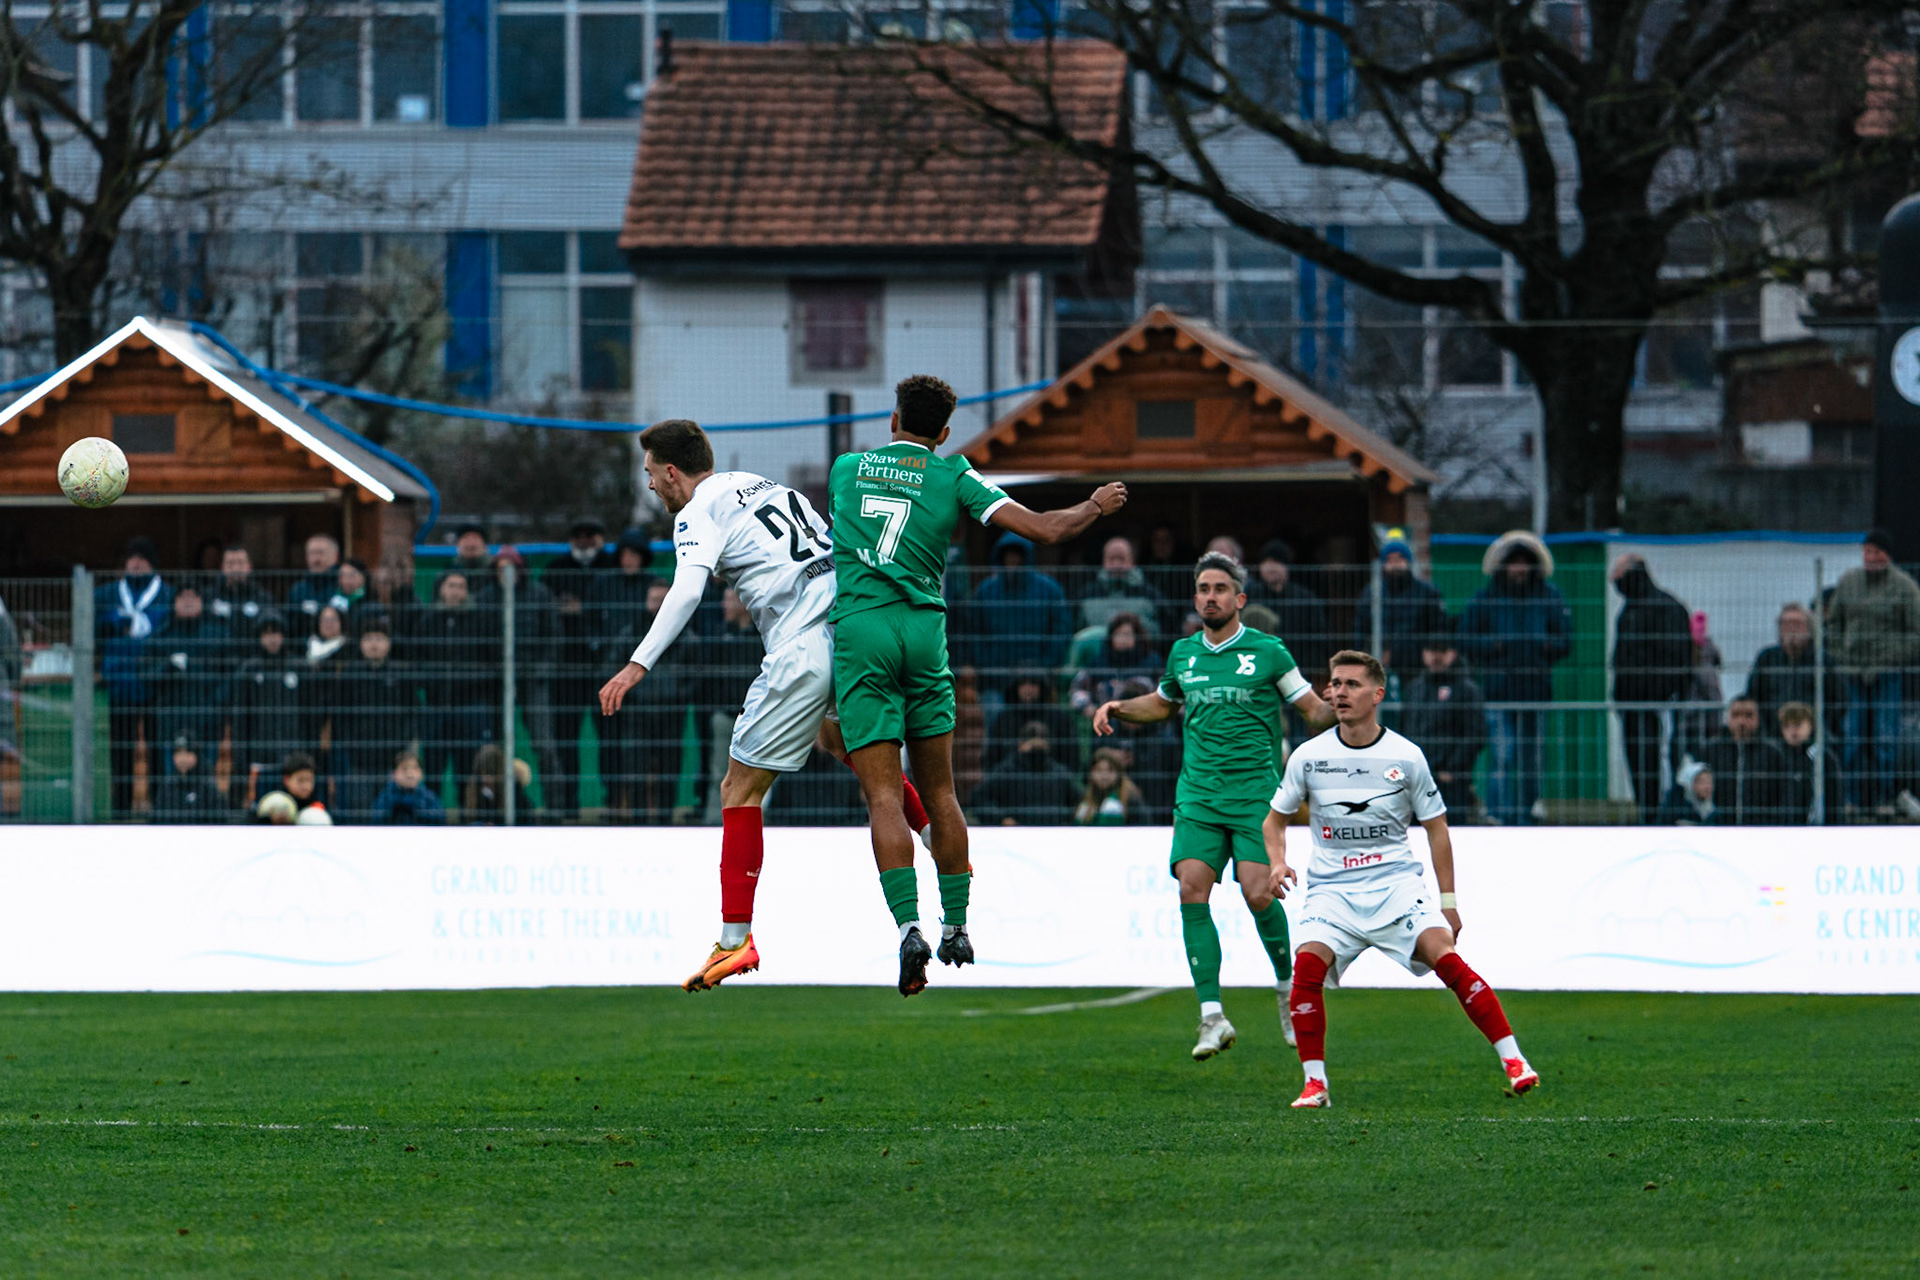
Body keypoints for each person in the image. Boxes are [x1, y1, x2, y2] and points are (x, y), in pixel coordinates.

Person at [599, 418, 939, 991]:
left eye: (653, 475)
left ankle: (735, 942)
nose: (652, 486)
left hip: (803, 646)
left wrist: (638, 664)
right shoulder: (760, 485)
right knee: (842, 745)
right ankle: (940, 845)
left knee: (739, 789)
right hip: (856, 627)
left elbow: (687, 588)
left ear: (674, 472)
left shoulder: (695, 512)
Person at [827, 373, 1126, 995]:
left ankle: (908, 927)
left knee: (884, 795)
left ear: (892, 420)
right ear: (942, 432)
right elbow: (1046, 528)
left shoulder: (847, 467)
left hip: (862, 630)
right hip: (923, 632)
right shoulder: (954, 474)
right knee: (942, 792)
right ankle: (956, 924)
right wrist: (1096, 505)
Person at [1264, 650, 1540, 1108]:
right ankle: (1316, 1083)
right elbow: (1273, 821)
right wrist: (1277, 862)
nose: (1339, 692)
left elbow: (1437, 829)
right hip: (1334, 890)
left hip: (1396, 885)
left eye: (1352, 684)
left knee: (1446, 959)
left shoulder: (1406, 756)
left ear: (1378, 694)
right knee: (1307, 968)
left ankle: (1515, 1061)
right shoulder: (1309, 757)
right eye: (1335, 684)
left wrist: (1448, 902)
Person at [1092, 552, 1336, 1060]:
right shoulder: (1184, 654)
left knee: (1259, 894)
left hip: (1255, 797)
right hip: (1198, 796)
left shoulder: (1268, 652)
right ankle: (1212, 1018)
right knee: (1190, 890)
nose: (1210, 596)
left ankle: (1289, 989)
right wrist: (1118, 707)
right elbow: (1163, 703)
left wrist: (1344, 709)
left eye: (1220, 588)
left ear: (1239, 599)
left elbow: (1310, 707)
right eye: (1203, 587)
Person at [1457, 530, 1571, 826]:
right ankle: (1498, 815)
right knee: (1503, 758)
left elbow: (1565, 641)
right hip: (1499, 691)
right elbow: (1465, 639)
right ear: (1504, 566)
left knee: (1532, 760)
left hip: (1536, 691)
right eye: (1514, 563)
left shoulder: (1550, 596)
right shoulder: (1486, 598)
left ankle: (1527, 812)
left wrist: (1544, 646)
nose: (1519, 569)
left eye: (1524, 563)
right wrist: (1493, 646)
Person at [1826, 529, 1920, 816]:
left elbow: (1915, 633)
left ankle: (1884, 800)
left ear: (1887, 555)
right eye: (1867, 551)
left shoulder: (1904, 587)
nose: (1870, 557)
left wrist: (1889, 659)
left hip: (1887, 674)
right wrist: (1843, 657)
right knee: (1853, 737)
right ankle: (1851, 800)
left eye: (1876, 552)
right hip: (1852, 674)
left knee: (1885, 738)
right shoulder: (1849, 582)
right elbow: (1834, 626)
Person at [1608, 554, 1694, 822]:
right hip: (1632, 707)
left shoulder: (1666, 608)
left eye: (1619, 578)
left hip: (1657, 706)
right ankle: (1649, 817)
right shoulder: (1629, 610)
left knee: (1660, 764)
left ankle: (1662, 817)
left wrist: (1659, 694)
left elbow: (1676, 659)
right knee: (1639, 765)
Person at [478, 546, 560, 820]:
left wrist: (541, 671)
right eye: (500, 570)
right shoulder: (486, 599)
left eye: (509, 568)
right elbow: (479, 642)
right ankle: (497, 809)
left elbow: (554, 638)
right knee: (495, 749)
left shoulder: (540, 595)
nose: (506, 575)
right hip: (496, 683)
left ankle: (554, 809)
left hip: (533, 680)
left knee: (544, 745)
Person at [95, 536, 173, 817]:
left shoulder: (168, 594)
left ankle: (159, 809)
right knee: (122, 750)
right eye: (132, 558)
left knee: (157, 748)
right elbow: (92, 627)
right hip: (121, 684)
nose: (137, 564)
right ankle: (121, 810)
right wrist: (114, 622)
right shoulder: (106, 594)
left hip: (156, 685)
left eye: (143, 558)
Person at [545, 517, 617, 819]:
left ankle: (612, 804)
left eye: (591, 534)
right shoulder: (556, 570)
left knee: (610, 740)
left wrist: (582, 610)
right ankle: (568, 805)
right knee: (565, 740)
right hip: (565, 670)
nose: (585, 540)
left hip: (605, 670)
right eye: (579, 535)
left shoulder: (612, 566)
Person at [413, 570, 498, 791]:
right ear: (441, 589)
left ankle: (469, 820)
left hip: (470, 708)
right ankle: (432, 821)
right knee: (433, 769)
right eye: (451, 586)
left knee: (468, 770)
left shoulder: (480, 620)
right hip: (435, 708)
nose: (456, 591)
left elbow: (492, 661)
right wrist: (430, 683)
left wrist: (474, 682)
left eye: (461, 586)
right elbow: (416, 660)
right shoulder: (427, 620)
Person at [331, 614, 419, 822]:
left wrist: (401, 743)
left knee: (393, 813)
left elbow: (413, 711)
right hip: (359, 761)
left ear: (388, 643)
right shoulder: (350, 673)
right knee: (360, 813)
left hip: (393, 760)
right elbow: (340, 715)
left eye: (379, 639)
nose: (374, 645)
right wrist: (351, 744)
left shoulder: (400, 673)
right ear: (361, 643)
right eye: (369, 639)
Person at [966, 531, 1073, 692]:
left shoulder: (1049, 589)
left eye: (1017, 556)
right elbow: (974, 632)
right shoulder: (986, 591)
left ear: (1026, 557)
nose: (1012, 561)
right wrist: (988, 666)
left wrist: (1046, 666)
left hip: (1039, 681)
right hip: (996, 679)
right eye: (1008, 556)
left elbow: (1061, 630)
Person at [1399, 629, 1487, 822]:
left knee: (1452, 835)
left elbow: (1475, 734)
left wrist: (1454, 770)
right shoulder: (1414, 689)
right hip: (1417, 779)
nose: (1436, 656)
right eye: (1432, 651)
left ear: (1453, 653)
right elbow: (1405, 730)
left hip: (1451, 783)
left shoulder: (1467, 690)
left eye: (1442, 651)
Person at [226, 611, 306, 807]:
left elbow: (308, 715)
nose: (272, 639)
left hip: (292, 761)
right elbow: (240, 717)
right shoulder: (248, 670)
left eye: (276, 634)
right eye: (267, 634)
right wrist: (242, 757)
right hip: (259, 760)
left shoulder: (298, 667)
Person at [142, 582, 231, 755]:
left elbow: (229, 672)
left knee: (206, 775)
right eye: (183, 597)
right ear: (174, 602)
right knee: (171, 775)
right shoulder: (161, 635)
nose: (188, 602)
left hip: (208, 719)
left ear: (200, 601)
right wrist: (168, 667)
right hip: (171, 719)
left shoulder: (217, 634)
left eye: (193, 597)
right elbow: (146, 673)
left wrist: (216, 702)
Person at [1348, 530, 1447, 680]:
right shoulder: (1372, 593)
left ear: (1408, 562)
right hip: (1380, 667)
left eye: (1400, 559)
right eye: (1389, 560)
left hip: (1417, 669)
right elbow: (1361, 628)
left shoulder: (1427, 593)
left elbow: (1438, 628)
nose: (1395, 565)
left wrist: (1428, 654)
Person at [1247, 540, 1332, 697]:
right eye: (1266, 563)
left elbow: (1319, 636)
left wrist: (1313, 667)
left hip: (1297, 671)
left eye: (1276, 562)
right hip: (1258, 671)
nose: (1270, 568)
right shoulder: (1250, 596)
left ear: (1286, 566)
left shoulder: (1305, 599)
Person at [1745, 603, 1844, 738]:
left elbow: (1838, 700)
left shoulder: (1823, 660)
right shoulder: (1767, 658)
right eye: (1786, 624)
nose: (1791, 629)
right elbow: (1753, 697)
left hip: (1815, 734)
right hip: (1773, 733)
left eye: (1797, 624)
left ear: (1809, 629)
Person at [1698, 696, 1793, 825]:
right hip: (1719, 829)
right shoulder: (1710, 751)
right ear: (1727, 718)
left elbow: (1785, 795)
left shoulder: (1772, 753)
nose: (1741, 721)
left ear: (1758, 719)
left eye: (1748, 715)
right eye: (1736, 715)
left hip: (1762, 830)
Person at [969, 719, 1083, 825]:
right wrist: (1001, 819)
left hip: (1051, 835)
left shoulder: (1059, 774)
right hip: (1015, 836)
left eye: (1040, 747)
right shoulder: (1006, 771)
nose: (1036, 754)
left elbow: (1077, 802)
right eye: (1032, 747)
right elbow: (978, 798)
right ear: (1020, 745)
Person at [1067, 613, 1161, 724]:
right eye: (1118, 634)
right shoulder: (1098, 662)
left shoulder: (1152, 661)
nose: (1122, 639)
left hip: (1146, 724)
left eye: (1127, 634)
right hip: (1107, 725)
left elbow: (1166, 690)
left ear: (1137, 637)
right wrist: (1087, 707)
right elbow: (1077, 688)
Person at [1078, 536, 1160, 634]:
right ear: (1103, 561)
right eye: (1111, 559)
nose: (1116, 564)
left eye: (1121, 559)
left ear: (1132, 561)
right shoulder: (1087, 593)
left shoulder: (1150, 594)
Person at [1777, 702, 1840, 825]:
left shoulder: (1823, 758)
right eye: (1787, 726)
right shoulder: (1777, 757)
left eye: (1797, 725)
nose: (1792, 731)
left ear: (1811, 725)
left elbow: (1835, 798)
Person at [152, 732, 223, 824]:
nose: (182, 759)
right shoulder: (167, 786)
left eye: (187, 752)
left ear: (196, 755)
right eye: (178, 753)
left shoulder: (208, 785)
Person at [206, 544, 273, 633]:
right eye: (230, 564)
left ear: (249, 567)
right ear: (222, 567)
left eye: (240, 563)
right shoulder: (209, 596)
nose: (235, 568)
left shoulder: (263, 597)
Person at [285, 533, 341, 639]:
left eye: (321, 553)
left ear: (335, 556)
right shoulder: (297, 590)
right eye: (312, 553)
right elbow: (290, 624)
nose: (316, 559)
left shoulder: (344, 586)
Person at [463, 742, 533, 824]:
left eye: (491, 774)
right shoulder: (476, 789)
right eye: (483, 774)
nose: (486, 779)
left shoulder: (515, 792)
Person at [371, 751, 445, 825]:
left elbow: (439, 819)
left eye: (414, 768)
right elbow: (377, 819)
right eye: (404, 769)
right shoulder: (386, 796)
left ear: (421, 773)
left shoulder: (429, 797)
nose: (410, 773)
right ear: (394, 774)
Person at [1075, 747, 1145, 825]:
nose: (1104, 776)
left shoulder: (1131, 799)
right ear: (1091, 773)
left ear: (1118, 773)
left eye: (1110, 770)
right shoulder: (1084, 800)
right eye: (1099, 770)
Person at [1657, 760, 1719, 826]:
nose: (1707, 787)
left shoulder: (1713, 811)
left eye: (1709, 782)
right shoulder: (1676, 810)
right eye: (1701, 782)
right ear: (1689, 784)